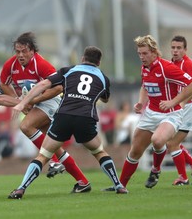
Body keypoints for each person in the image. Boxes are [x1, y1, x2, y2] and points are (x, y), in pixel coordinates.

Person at [8, 46, 128, 199]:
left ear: (83, 58)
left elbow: (43, 85)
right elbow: (105, 98)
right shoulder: (104, 78)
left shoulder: (69, 70)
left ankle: (21, 189)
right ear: (99, 62)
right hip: (85, 118)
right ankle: (118, 186)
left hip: (64, 116)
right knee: (99, 152)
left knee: (44, 155)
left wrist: (23, 102)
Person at [0, 32, 91, 193]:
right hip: (32, 104)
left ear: (32, 51)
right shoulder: (11, 65)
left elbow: (58, 87)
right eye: (17, 51)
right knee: (54, 146)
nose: (20, 55)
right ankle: (83, 182)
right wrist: (18, 99)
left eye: (24, 51)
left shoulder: (41, 64)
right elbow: (4, 83)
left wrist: (30, 101)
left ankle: (54, 162)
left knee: (26, 126)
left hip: (50, 101)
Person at [109, 35, 192, 190]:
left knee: (158, 140)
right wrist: (140, 103)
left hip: (171, 114)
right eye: (139, 53)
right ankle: (120, 186)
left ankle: (156, 170)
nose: (141, 57)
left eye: (145, 53)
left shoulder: (167, 67)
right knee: (135, 150)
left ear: (154, 52)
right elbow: (145, 86)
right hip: (151, 113)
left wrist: (173, 102)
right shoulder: (144, 67)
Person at [145, 35, 192, 187]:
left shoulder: (188, 64)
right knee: (170, 142)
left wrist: (181, 103)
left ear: (185, 50)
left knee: (172, 144)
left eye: (179, 48)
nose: (175, 50)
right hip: (178, 108)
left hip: (188, 108)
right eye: (173, 47)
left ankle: (183, 178)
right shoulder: (170, 63)